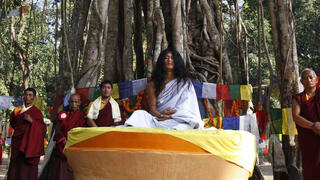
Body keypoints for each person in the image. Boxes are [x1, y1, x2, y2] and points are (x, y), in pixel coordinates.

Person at [124, 48, 204, 129]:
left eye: (172, 58)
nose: (169, 60)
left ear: (177, 62)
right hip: (159, 119)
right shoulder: (152, 84)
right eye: (166, 58)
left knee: (187, 123)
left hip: (179, 119)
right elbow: (153, 109)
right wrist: (161, 115)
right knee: (139, 114)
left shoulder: (185, 83)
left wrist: (172, 116)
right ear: (161, 62)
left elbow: (187, 107)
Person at [39, 94, 85, 180]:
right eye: (72, 101)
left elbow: (81, 131)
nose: (73, 104)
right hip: (61, 147)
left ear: (79, 103)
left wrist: (70, 142)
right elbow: (58, 130)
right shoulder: (63, 114)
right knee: (57, 172)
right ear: (68, 102)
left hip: (73, 147)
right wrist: (63, 140)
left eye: (76, 102)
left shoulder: (82, 116)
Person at [7, 88, 46, 180]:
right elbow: (13, 123)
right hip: (17, 144)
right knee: (15, 169)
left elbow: (43, 129)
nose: (27, 97)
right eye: (26, 95)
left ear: (34, 98)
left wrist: (32, 121)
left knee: (26, 171)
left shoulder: (37, 112)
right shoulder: (17, 110)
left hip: (29, 146)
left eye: (30, 95)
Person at [292, 68, 320, 180]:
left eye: (311, 77)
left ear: (316, 80)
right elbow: (296, 116)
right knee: (311, 169)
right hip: (309, 140)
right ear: (301, 82)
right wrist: (312, 126)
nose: (309, 80)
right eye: (305, 78)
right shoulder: (298, 98)